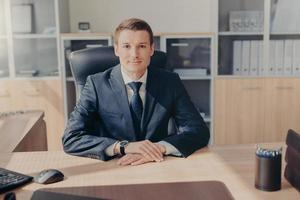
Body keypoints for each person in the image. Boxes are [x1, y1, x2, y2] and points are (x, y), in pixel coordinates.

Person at [62, 18, 210, 166]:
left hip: (158, 163)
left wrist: (158, 148)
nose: (134, 54)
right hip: (113, 166)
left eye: (142, 46)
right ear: (116, 49)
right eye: (126, 46)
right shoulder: (96, 84)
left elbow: (198, 131)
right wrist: (123, 147)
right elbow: (71, 138)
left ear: (151, 49)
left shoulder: (170, 82)